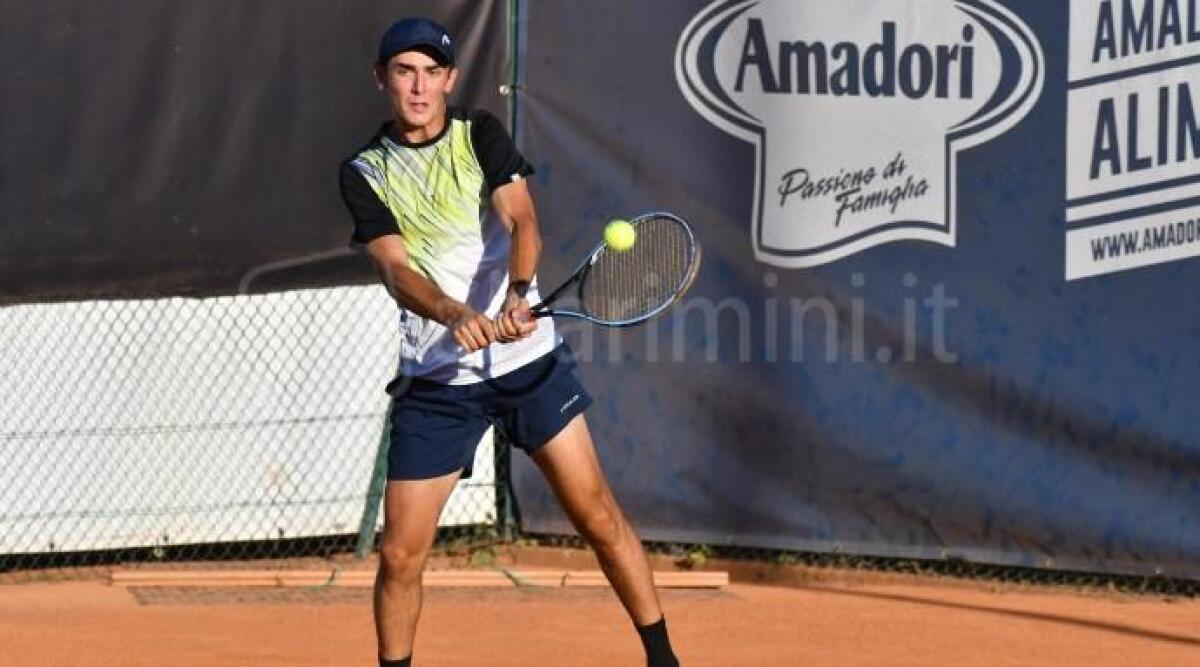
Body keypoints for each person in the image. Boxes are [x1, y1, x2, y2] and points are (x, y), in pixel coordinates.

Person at [338, 17, 681, 667]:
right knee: (400, 553)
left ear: (450, 80)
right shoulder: (365, 171)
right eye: (404, 71)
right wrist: (451, 311)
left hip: (528, 364)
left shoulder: (480, 136)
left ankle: (664, 658)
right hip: (439, 382)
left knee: (596, 513)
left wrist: (519, 292)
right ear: (382, 79)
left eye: (431, 72)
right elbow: (394, 268)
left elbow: (521, 218)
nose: (418, 86)